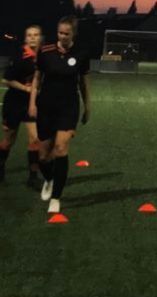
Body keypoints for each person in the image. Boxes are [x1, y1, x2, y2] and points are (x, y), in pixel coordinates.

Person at [28, 17, 91, 216]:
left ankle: (56, 197)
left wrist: (88, 106)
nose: (62, 37)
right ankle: (49, 179)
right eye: (60, 33)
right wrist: (32, 103)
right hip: (46, 107)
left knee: (61, 149)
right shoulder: (45, 52)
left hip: (68, 107)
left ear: (74, 34)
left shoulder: (81, 53)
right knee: (44, 156)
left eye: (66, 33)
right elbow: (37, 79)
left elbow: (83, 83)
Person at [0, 25, 43, 186]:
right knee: (9, 140)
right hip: (14, 102)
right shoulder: (19, 55)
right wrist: (26, 88)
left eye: (36, 35)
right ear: (26, 38)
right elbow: (6, 79)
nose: (33, 37)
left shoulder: (43, 56)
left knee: (35, 139)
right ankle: (1, 167)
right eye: (30, 35)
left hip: (32, 103)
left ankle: (33, 176)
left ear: (40, 37)